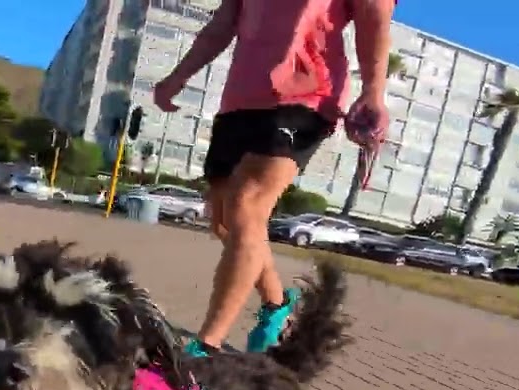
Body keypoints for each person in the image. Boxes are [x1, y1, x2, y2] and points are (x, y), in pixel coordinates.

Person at [154, 0, 396, 357]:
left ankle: (207, 345)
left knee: (247, 205)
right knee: (223, 220)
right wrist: (178, 76)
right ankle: (276, 303)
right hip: (240, 98)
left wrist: (373, 90)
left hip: (305, 93)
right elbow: (222, 25)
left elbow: (374, 17)